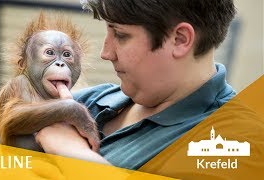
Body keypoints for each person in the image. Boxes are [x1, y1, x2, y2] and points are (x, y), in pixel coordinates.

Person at [35, 0, 237, 170]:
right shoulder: (91, 101)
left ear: (179, 39)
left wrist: (73, 153)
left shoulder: (238, 139)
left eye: (121, 35)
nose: (106, 53)